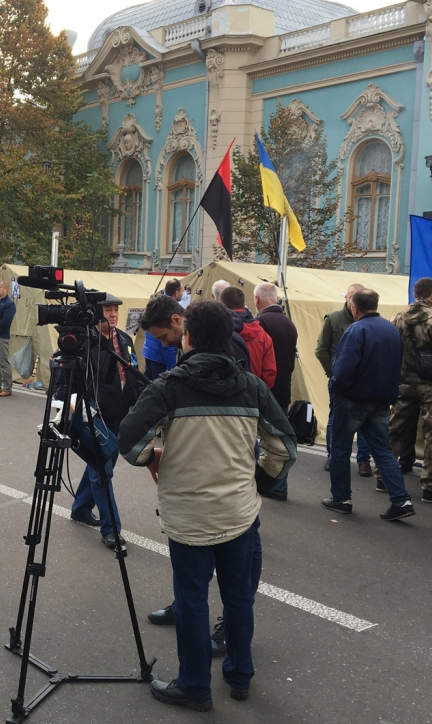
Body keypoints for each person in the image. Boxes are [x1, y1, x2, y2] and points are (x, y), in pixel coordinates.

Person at [118, 300, 297, 712]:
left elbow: (130, 442)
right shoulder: (251, 386)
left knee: (193, 598)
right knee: (239, 598)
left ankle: (195, 687)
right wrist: (258, 481)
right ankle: (239, 676)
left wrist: (156, 458)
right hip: (239, 513)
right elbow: (285, 447)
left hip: (188, 516)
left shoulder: (169, 387)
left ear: (190, 336)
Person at [323, 289, 415, 521]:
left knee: (341, 448)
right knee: (383, 450)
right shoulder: (391, 329)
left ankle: (341, 498)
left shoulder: (356, 330)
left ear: (354, 308)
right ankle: (401, 500)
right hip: (382, 399)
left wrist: (334, 384)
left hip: (352, 399)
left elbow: (343, 369)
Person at [68, 294, 144, 549]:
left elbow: (133, 372)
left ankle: (80, 508)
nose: (113, 314)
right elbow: (69, 382)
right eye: (108, 310)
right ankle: (111, 529)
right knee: (102, 471)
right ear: (95, 313)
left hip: (122, 415)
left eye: (115, 310)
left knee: (101, 464)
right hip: (95, 416)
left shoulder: (125, 338)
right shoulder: (84, 342)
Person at [387, 278, 432, 503]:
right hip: (430, 387)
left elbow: (390, 350)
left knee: (395, 430)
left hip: (402, 383)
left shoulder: (397, 319)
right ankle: (431, 487)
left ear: (416, 294)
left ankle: (383, 477)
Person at [315, 284, 371, 475]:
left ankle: (363, 461)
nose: (354, 300)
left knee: (364, 422)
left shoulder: (369, 320)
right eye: (351, 296)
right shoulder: (333, 319)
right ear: (346, 298)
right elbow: (321, 349)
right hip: (340, 381)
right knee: (336, 419)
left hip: (363, 381)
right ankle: (333, 457)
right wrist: (332, 374)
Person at [253, 282, 298, 501]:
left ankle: (266, 484)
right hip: (283, 389)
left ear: (257, 299)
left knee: (259, 438)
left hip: (265, 390)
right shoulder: (289, 323)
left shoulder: (260, 322)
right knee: (280, 440)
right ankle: (280, 486)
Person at [219, 286, 276, 388]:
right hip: (254, 393)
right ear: (244, 305)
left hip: (223, 394)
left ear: (220, 305)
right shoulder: (262, 335)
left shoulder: (216, 332)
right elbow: (270, 372)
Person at [142, 279, 182, 380]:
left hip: (149, 353)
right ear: (176, 293)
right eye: (182, 291)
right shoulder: (166, 314)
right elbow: (168, 348)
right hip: (160, 359)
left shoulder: (155, 306)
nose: (164, 342)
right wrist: (171, 370)